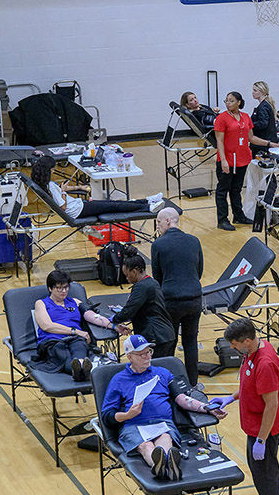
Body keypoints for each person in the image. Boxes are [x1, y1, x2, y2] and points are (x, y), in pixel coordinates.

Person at [101, 334, 228, 481]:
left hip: (162, 423)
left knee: (165, 438)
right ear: (130, 357)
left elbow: (182, 398)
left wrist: (207, 407)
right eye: (141, 354)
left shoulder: (162, 373)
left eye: (149, 352)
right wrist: (128, 415)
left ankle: (165, 463)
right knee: (145, 446)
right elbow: (107, 415)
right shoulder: (118, 380)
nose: (147, 357)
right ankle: (164, 465)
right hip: (134, 425)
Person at [222, 318, 279, 495]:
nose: (232, 347)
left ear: (247, 341)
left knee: (266, 475)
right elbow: (248, 384)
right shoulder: (251, 351)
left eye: (234, 344)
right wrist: (230, 398)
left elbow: (272, 404)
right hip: (254, 426)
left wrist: (261, 440)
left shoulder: (265, 362)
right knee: (259, 473)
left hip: (265, 430)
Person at [32, 268, 118, 381]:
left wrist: (113, 326)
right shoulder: (41, 303)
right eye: (59, 288)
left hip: (75, 339)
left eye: (66, 287)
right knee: (63, 355)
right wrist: (76, 331)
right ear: (50, 288)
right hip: (52, 340)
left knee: (80, 348)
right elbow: (47, 326)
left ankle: (81, 367)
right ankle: (81, 370)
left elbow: (92, 316)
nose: (64, 291)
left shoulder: (75, 302)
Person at [152, 207, 204, 387]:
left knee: (169, 341)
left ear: (167, 221)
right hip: (194, 298)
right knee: (190, 341)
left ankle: (169, 381)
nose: (157, 226)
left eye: (158, 222)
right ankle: (193, 382)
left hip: (171, 300)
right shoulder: (194, 240)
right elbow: (199, 271)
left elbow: (157, 277)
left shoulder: (158, 245)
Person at [213, 90, 275, 231]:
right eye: (226, 101)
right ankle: (222, 220)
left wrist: (269, 143)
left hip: (242, 159)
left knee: (236, 189)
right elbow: (220, 141)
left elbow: (251, 138)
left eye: (231, 100)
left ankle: (238, 215)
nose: (228, 103)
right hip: (227, 159)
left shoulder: (246, 117)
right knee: (223, 190)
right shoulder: (222, 118)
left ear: (239, 102)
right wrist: (223, 160)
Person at [30, 155, 163, 218]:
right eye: (53, 169)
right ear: (48, 170)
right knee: (113, 206)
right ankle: (147, 207)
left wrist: (78, 188)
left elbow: (59, 190)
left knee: (113, 203)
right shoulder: (49, 186)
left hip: (78, 205)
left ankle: (146, 200)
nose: (54, 171)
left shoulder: (43, 183)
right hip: (77, 210)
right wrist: (64, 192)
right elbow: (63, 206)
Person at [111, 249, 176, 359]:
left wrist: (112, 320)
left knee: (152, 371)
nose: (127, 279)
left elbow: (128, 312)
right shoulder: (151, 282)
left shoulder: (141, 287)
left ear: (135, 271)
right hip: (166, 334)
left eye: (127, 275)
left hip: (156, 336)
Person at [250, 81, 279, 155]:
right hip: (266, 140)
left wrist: (250, 125)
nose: (252, 92)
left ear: (262, 92)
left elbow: (263, 123)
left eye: (255, 90)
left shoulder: (263, 107)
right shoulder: (265, 105)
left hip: (264, 142)